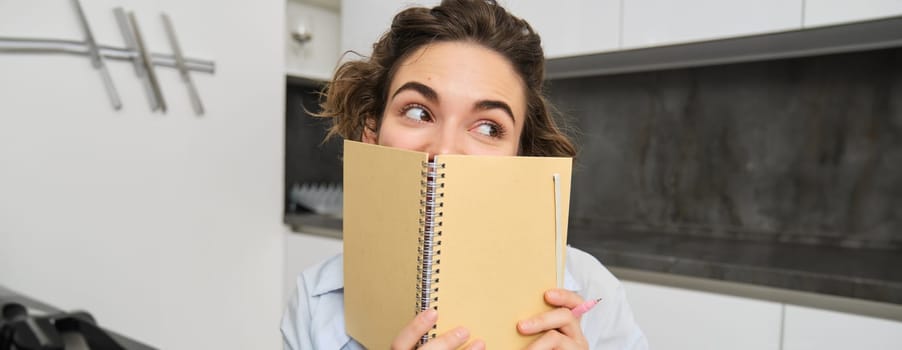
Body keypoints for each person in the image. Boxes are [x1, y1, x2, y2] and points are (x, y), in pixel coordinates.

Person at [281, 0, 648, 349]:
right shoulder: (316, 302)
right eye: (418, 112)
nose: (444, 151)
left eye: (489, 128)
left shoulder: (593, 291)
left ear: (520, 157)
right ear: (371, 133)